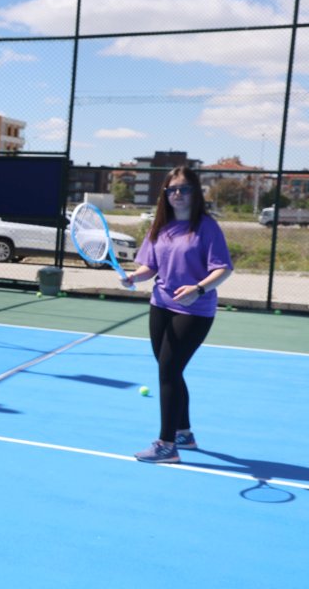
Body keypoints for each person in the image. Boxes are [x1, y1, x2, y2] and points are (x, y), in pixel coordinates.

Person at [121, 166, 233, 464]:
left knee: (168, 371)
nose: (178, 194)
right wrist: (135, 277)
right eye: (172, 190)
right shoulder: (160, 227)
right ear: (165, 194)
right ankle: (184, 433)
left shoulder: (206, 227)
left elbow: (223, 268)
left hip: (195, 310)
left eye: (184, 189)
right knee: (170, 369)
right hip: (160, 306)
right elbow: (150, 267)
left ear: (195, 193)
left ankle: (166, 445)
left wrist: (199, 289)